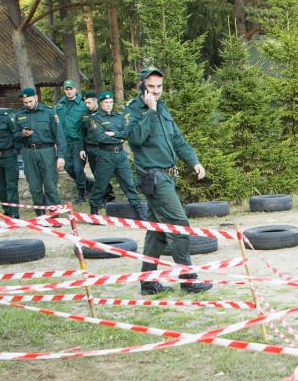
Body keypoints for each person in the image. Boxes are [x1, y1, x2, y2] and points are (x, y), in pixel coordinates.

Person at [127, 66, 212, 295]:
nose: (156, 91)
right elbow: (135, 138)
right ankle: (188, 279)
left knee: (156, 233)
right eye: (151, 87)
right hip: (153, 179)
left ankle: (148, 282)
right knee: (179, 225)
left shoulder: (163, 109)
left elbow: (178, 140)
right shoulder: (134, 110)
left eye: (159, 87)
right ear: (142, 86)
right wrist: (150, 111)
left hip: (167, 176)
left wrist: (194, 161)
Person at [82, 91, 147, 219]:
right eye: (106, 102)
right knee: (101, 184)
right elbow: (101, 138)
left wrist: (113, 134)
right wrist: (118, 136)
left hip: (120, 155)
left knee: (129, 183)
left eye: (111, 102)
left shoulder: (119, 116)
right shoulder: (95, 118)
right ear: (100, 104)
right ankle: (94, 210)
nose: (109, 105)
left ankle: (139, 210)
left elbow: (126, 134)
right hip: (105, 155)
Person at [14, 86, 65, 212]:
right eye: (25, 102)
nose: (28, 104)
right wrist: (22, 134)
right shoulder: (19, 114)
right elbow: (13, 136)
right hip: (29, 153)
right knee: (34, 187)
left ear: (36, 98)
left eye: (30, 101)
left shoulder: (49, 112)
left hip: (47, 152)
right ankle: (41, 215)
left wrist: (61, 156)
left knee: (50, 185)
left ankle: (53, 215)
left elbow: (59, 136)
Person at [54, 80, 90, 204]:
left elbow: (86, 125)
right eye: (66, 89)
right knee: (69, 168)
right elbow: (56, 122)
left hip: (78, 142)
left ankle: (82, 193)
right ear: (64, 90)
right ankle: (89, 186)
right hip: (64, 143)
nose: (69, 91)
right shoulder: (60, 105)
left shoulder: (83, 104)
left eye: (71, 89)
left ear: (75, 89)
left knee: (78, 168)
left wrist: (83, 146)